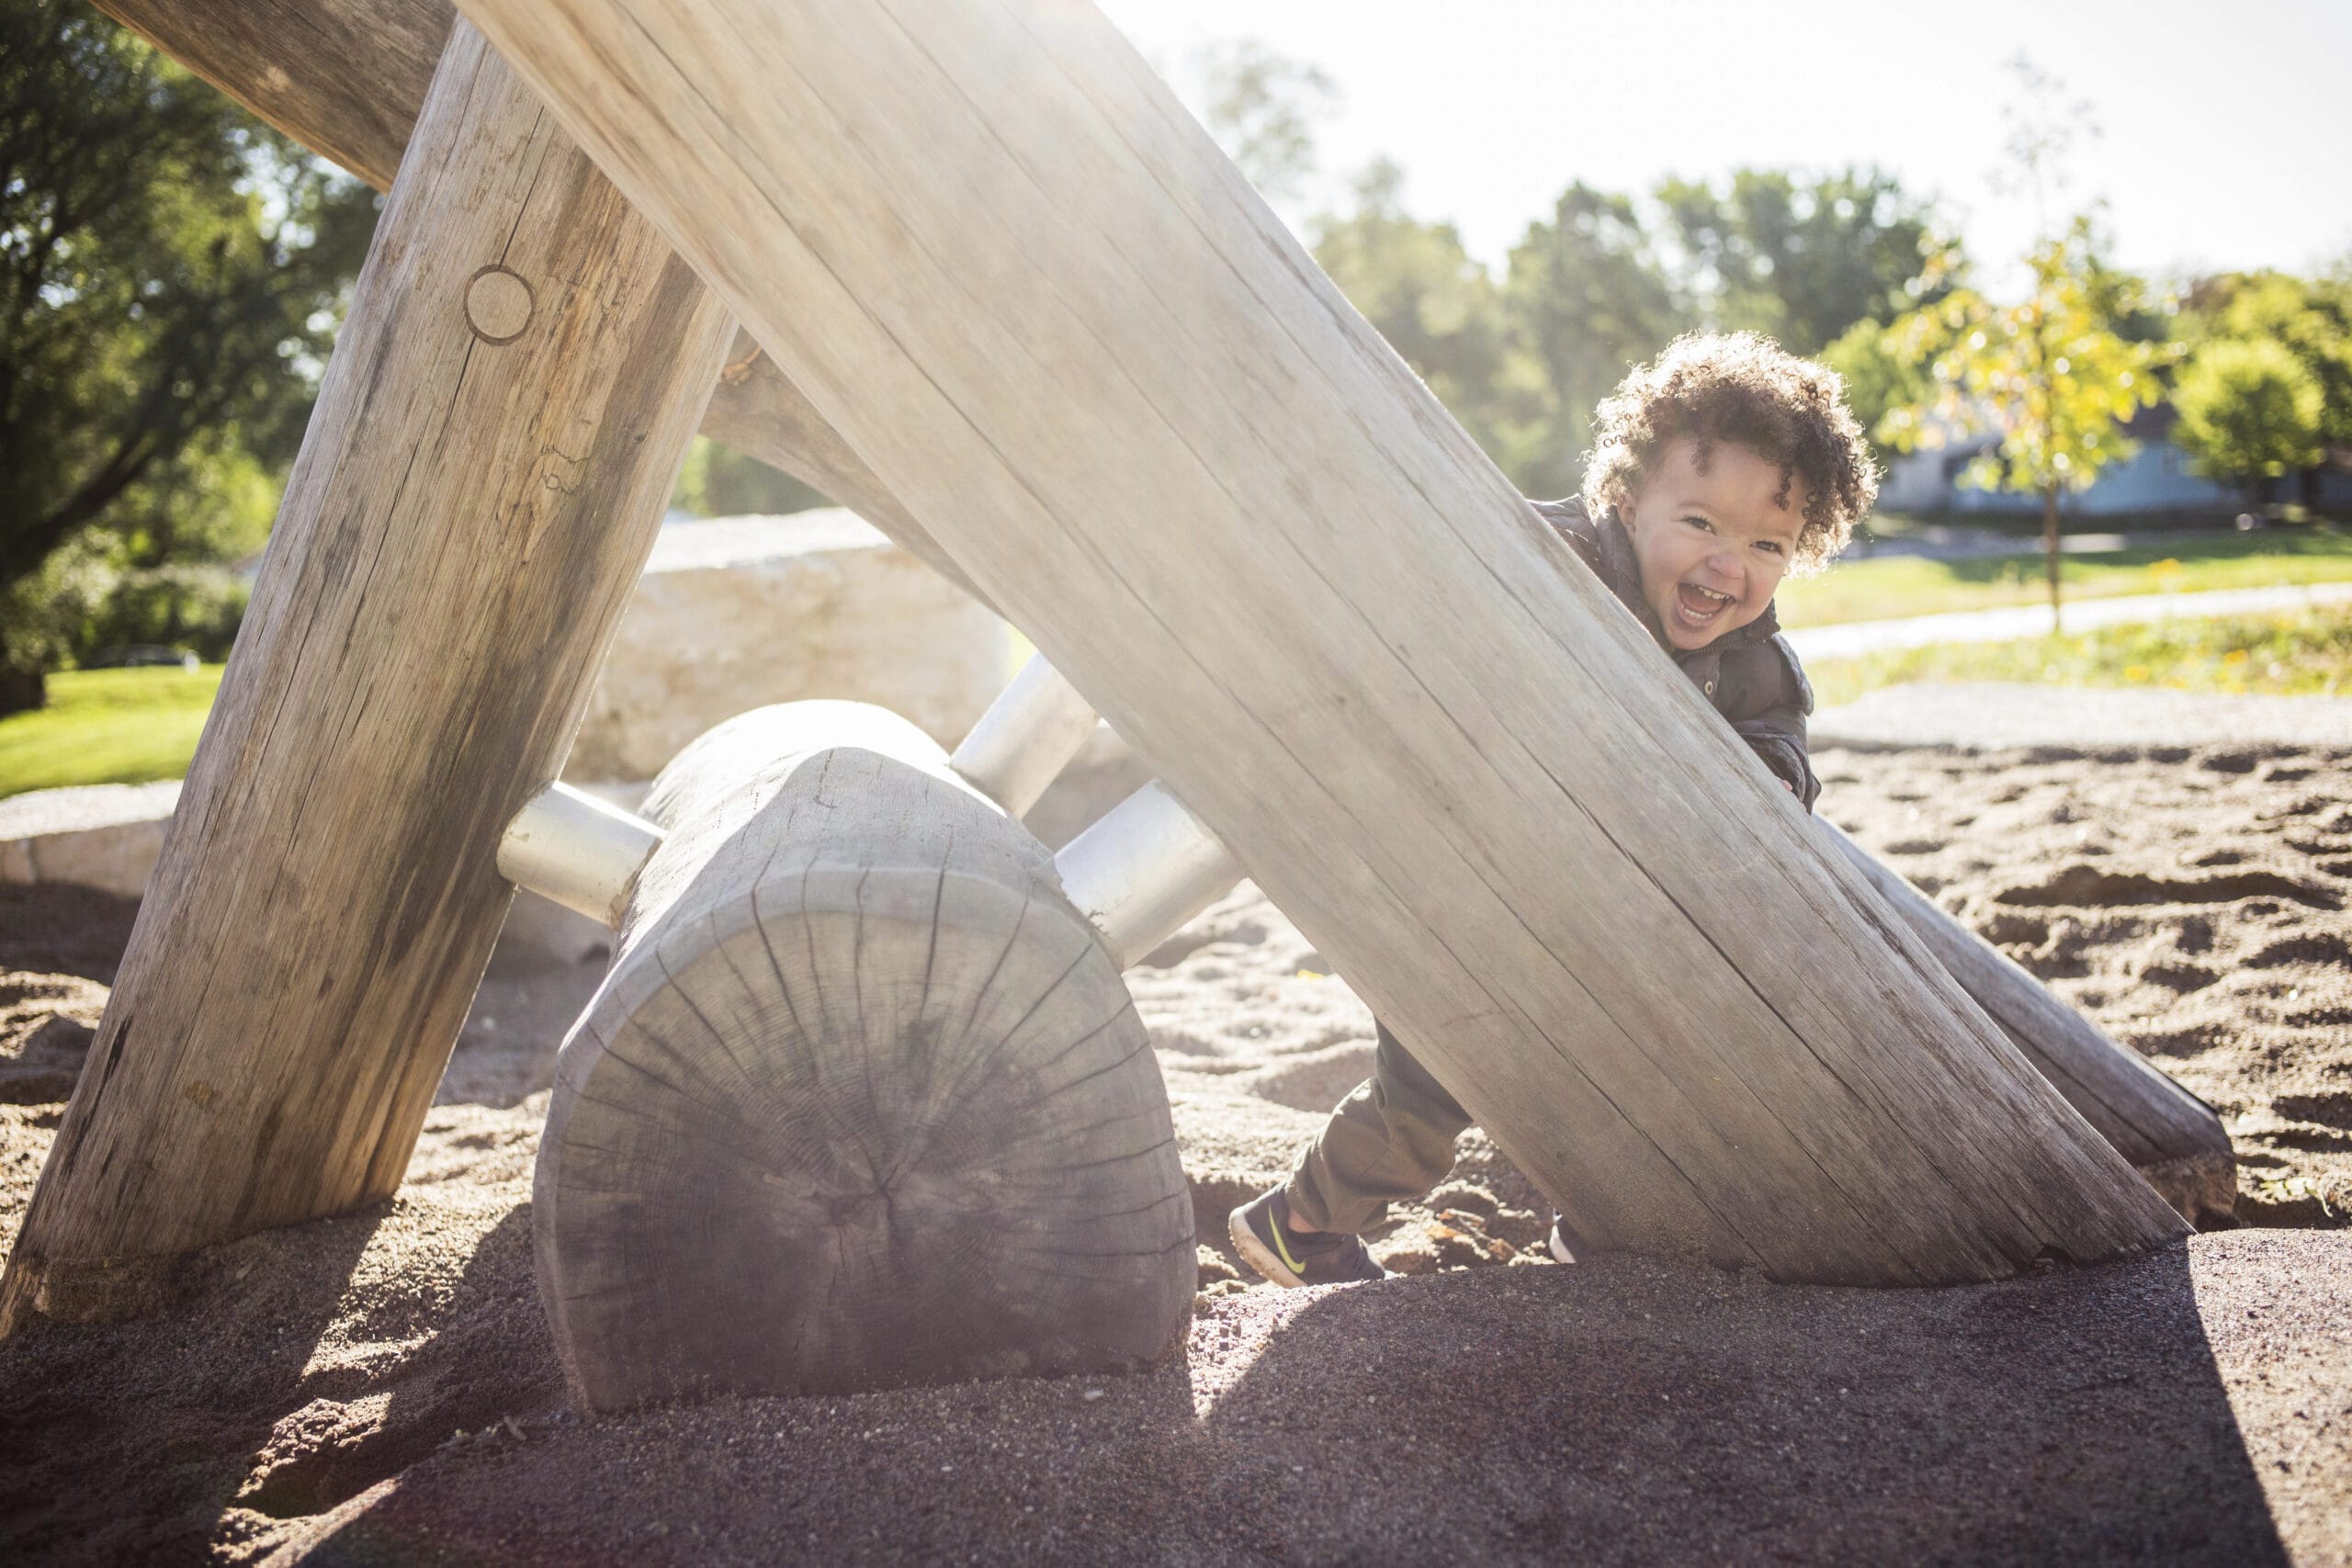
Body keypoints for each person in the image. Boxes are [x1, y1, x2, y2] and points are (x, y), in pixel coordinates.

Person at [1227, 331, 1882, 1288]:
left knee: (1660, 1081)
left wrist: (1770, 781)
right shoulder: (1542, 567)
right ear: (1624, 497)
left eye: (1766, 545)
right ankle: (1297, 1225)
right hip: (1464, 889)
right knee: (1425, 1097)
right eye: (1698, 522)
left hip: (1612, 918)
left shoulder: (1751, 657)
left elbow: (1778, 738)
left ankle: (1604, 1234)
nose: (1726, 565)